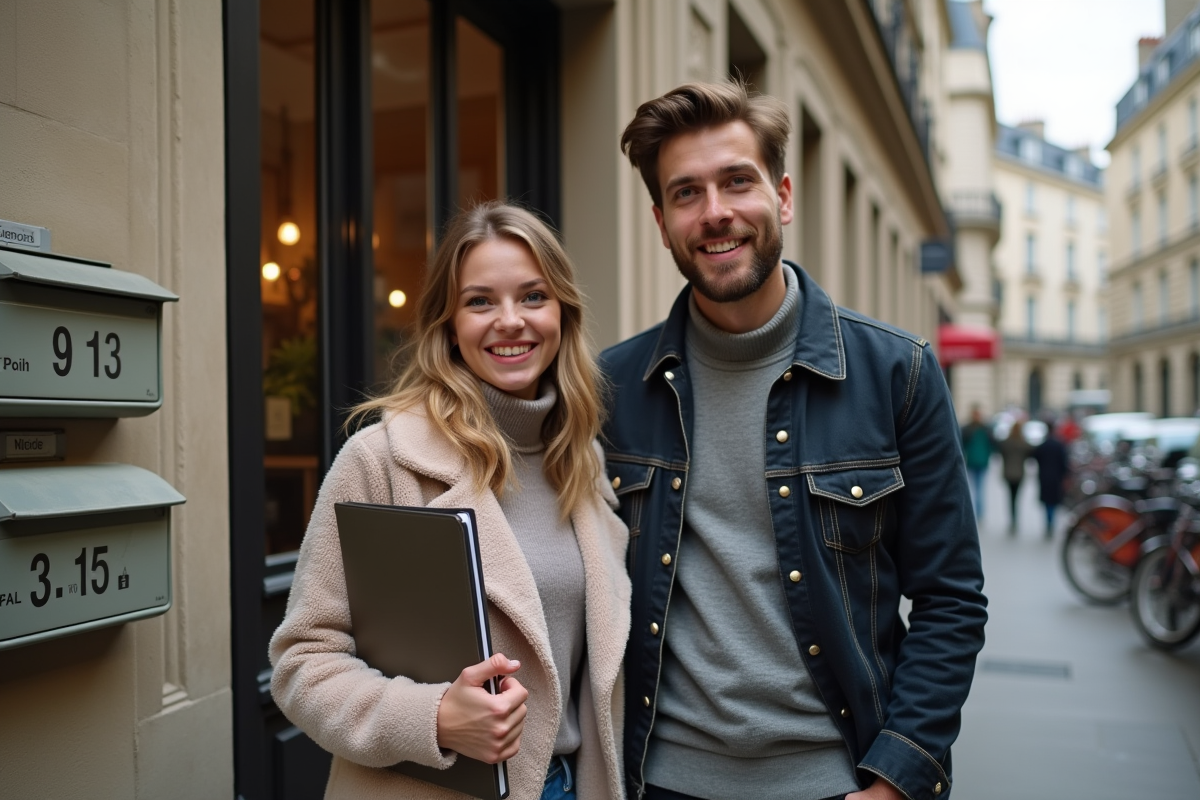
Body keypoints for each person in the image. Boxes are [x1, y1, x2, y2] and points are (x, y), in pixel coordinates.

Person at [601, 82, 987, 800]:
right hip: (658, 781)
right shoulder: (615, 388)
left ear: (781, 197)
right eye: (686, 193)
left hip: (837, 780)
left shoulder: (895, 372)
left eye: (736, 181)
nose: (714, 212)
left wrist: (897, 778)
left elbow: (950, 599)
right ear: (661, 222)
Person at [270, 202, 631, 800]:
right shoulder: (383, 457)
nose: (510, 321)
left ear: (563, 313)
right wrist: (432, 716)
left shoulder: (582, 463)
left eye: (534, 296)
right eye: (480, 301)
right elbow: (302, 664)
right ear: (448, 322)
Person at [1033, 418, 1070, 539]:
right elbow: (1064, 463)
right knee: (1053, 502)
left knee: (1047, 503)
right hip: (1056, 477)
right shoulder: (1059, 445)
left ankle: (1048, 523)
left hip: (1044, 476)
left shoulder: (1043, 445)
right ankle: (1051, 523)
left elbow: (1035, 458)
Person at [997, 420, 1034, 534]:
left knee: (1010, 498)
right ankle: (1015, 519)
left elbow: (1001, 453)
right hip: (1019, 474)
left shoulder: (1007, 442)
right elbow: (1030, 454)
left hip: (1008, 473)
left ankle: (1012, 519)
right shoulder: (1022, 443)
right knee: (1017, 498)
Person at [960, 405, 994, 519]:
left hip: (980, 462)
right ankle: (976, 511)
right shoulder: (977, 429)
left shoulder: (983, 429)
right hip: (973, 462)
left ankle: (977, 511)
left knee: (978, 488)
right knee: (975, 488)